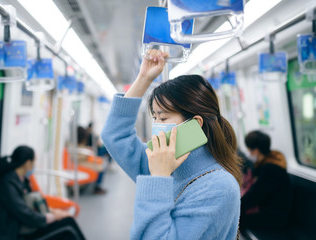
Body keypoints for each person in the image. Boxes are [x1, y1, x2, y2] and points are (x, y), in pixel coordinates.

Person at [101, 49, 242, 239]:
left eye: (163, 118)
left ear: (196, 123)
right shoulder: (166, 160)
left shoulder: (218, 187)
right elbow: (115, 135)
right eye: (154, 118)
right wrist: (143, 79)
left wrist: (159, 177)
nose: (157, 126)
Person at [0, 146, 85, 240]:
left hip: (23, 227)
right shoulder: (7, 186)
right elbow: (26, 214)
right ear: (28, 163)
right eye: (34, 162)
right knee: (68, 230)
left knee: (68, 221)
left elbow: (28, 206)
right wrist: (54, 217)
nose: (34, 166)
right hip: (11, 234)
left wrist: (54, 212)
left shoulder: (21, 180)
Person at [240, 130, 293, 231]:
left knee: (235, 219)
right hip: (269, 209)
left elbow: (254, 196)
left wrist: (234, 207)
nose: (249, 154)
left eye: (250, 150)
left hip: (274, 216)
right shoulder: (268, 163)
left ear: (256, 150)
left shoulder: (270, 170)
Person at [78, 126, 107, 194]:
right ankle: (97, 187)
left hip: (85, 158)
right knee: (100, 167)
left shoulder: (81, 144)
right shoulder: (77, 146)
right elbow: (78, 156)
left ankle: (97, 186)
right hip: (81, 161)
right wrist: (87, 153)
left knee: (102, 159)